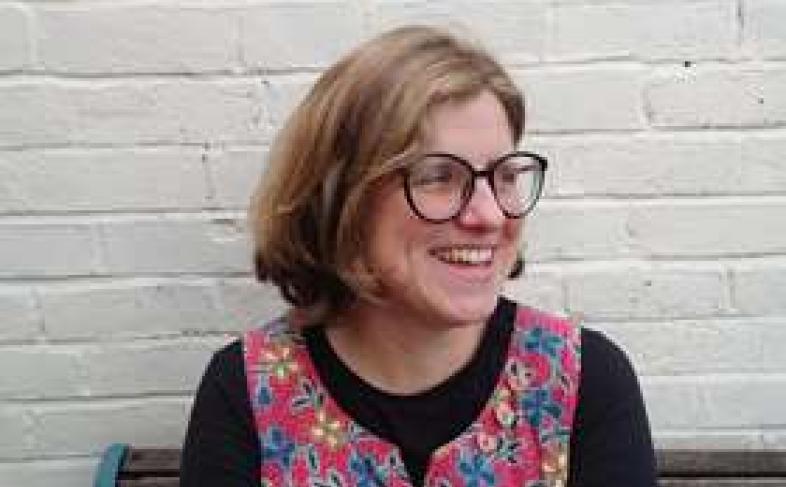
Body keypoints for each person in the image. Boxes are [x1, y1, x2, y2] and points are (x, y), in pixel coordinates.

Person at [180, 25, 657, 487]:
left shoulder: (579, 383)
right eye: (437, 177)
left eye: (505, 175)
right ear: (343, 199)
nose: (489, 214)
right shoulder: (249, 392)